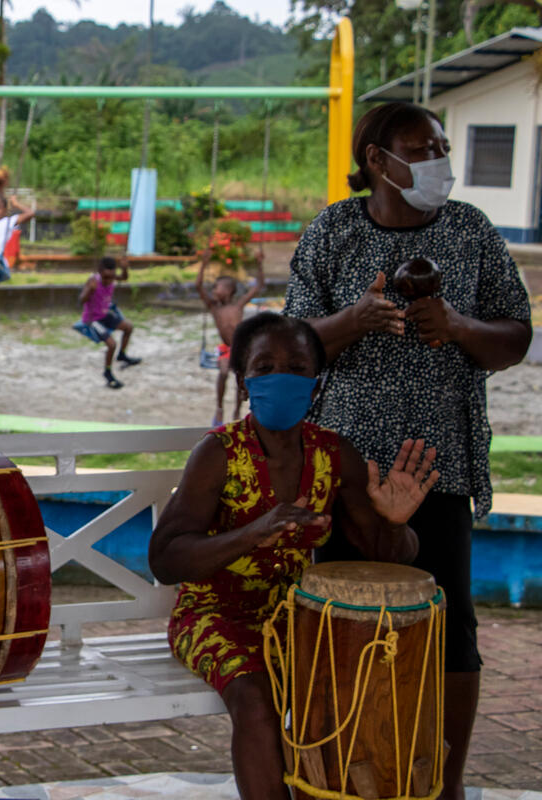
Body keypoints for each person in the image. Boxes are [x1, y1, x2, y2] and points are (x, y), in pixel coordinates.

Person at [284, 101, 533, 800]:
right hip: (345, 465)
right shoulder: (332, 230)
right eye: (423, 149)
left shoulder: (471, 231)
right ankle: (334, 772)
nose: (440, 162)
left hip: (438, 462)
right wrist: (353, 320)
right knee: (335, 614)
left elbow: (515, 338)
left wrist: (455, 326)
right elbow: (293, 346)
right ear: (378, 162)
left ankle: (444, 782)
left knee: (449, 627)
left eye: (442, 147)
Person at [149, 312, 438, 800]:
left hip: (297, 620)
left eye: (297, 367)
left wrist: (394, 520)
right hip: (211, 616)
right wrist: (251, 533)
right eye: (265, 367)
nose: (281, 377)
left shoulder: (334, 454)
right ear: (244, 383)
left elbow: (389, 553)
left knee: (352, 689)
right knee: (254, 697)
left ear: (315, 382)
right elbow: (165, 558)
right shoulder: (218, 452)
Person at [196, 249, 265, 425]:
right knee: (224, 371)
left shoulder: (238, 305)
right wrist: (204, 264)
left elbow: (258, 287)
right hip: (226, 349)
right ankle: (219, 408)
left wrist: (259, 263)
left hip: (241, 348)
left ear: (228, 291)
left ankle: (236, 410)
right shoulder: (214, 307)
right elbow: (198, 286)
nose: (213, 290)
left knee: (240, 378)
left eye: (216, 288)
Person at [75, 256, 141, 389]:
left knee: (128, 327)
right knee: (111, 344)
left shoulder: (111, 276)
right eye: (105, 278)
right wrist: (89, 291)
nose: (108, 281)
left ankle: (122, 355)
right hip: (92, 319)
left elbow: (124, 277)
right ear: (99, 272)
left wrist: (125, 268)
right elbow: (81, 300)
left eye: (111, 277)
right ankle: (108, 372)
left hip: (105, 314)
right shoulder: (93, 281)